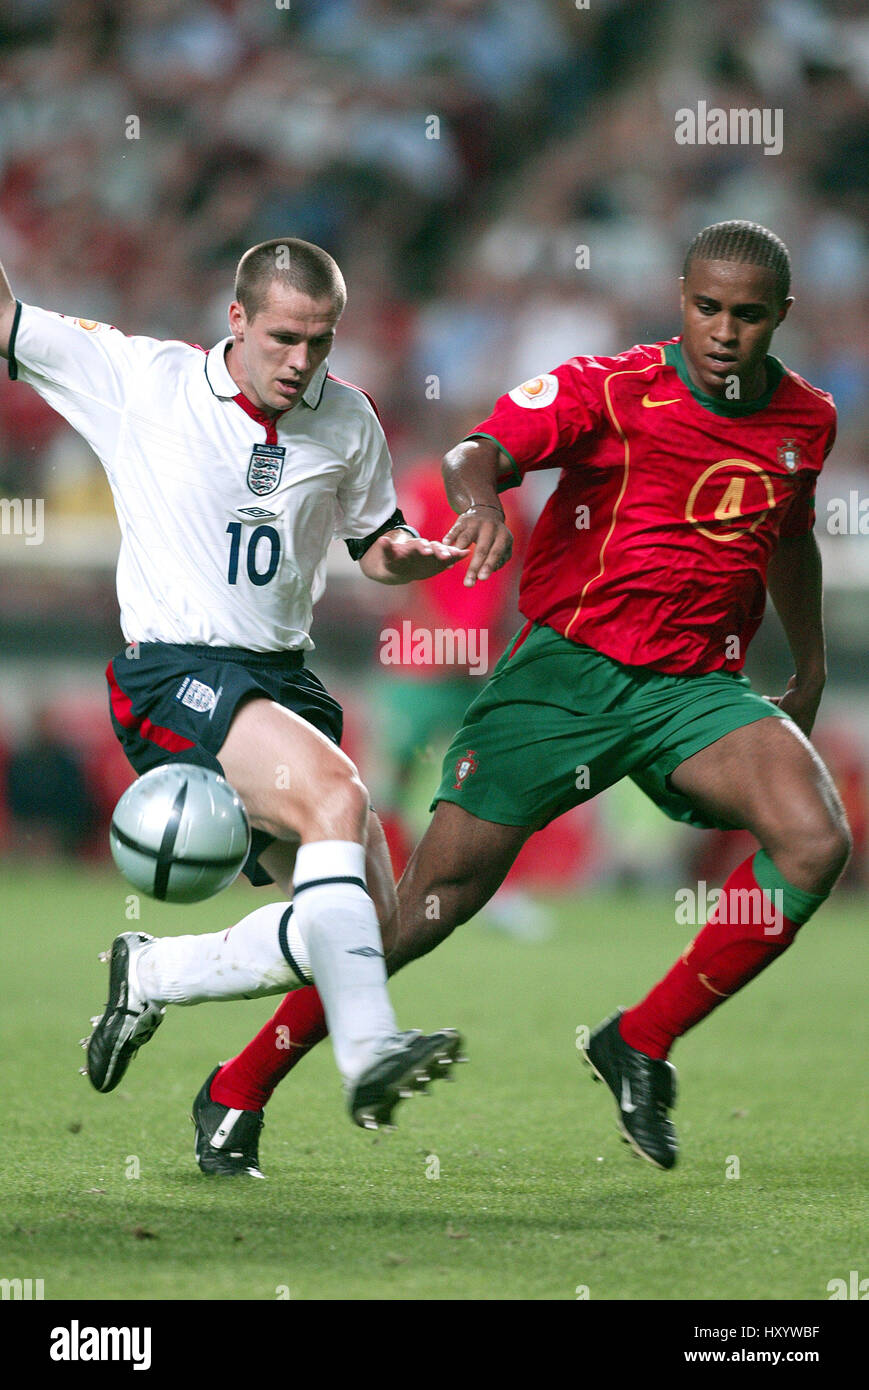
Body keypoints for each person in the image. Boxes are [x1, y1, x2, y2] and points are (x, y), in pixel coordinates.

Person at [55, 219, 853, 1179]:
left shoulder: (806, 419)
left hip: (693, 687)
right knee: (413, 911)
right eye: (707, 308)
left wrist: (806, 664)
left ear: (781, 317)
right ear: (680, 298)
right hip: (561, 682)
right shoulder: (611, 386)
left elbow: (792, 535)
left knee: (815, 840)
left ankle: (639, 1042)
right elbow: (480, 450)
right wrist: (479, 502)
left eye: (748, 315)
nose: (724, 331)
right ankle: (239, 1086)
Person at [0, 237, 469, 1167]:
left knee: (370, 925)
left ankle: (158, 973)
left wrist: (401, 557)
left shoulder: (347, 420)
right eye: (285, 338)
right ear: (238, 320)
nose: (302, 362)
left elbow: (372, 540)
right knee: (338, 798)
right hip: (175, 671)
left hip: (284, 680)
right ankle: (371, 1051)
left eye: (321, 342)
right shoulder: (143, 380)